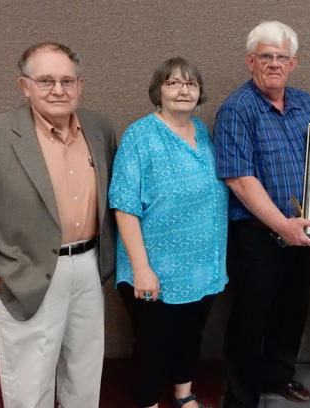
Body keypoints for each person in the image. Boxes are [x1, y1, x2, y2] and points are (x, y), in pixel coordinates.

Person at [0, 42, 116, 408]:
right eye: (45, 80)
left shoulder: (99, 129)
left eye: (67, 80)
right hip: (25, 272)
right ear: (23, 85)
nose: (58, 90)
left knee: (85, 370)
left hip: (89, 268)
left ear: (81, 85)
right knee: (30, 380)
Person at [213, 20, 310, 408]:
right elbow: (239, 179)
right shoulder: (237, 109)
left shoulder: (309, 105)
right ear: (250, 61)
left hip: (303, 232)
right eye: (266, 56)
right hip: (258, 236)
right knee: (250, 318)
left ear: (293, 63)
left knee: (292, 312)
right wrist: (281, 226)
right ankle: (242, 397)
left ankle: (279, 376)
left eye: (282, 57)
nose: (274, 63)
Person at [108, 57, 228, 408]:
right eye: (173, 83)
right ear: (157, 90)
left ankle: (183, 393)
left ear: (199, 93)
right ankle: (148, 401)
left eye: (190, 84)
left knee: (191, 336)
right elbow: (125, 205)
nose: (183, 90)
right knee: (153, 344)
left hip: (202, 266)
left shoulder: (203, 133)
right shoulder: (140, 136)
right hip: (154, 269)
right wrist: (142, 269)